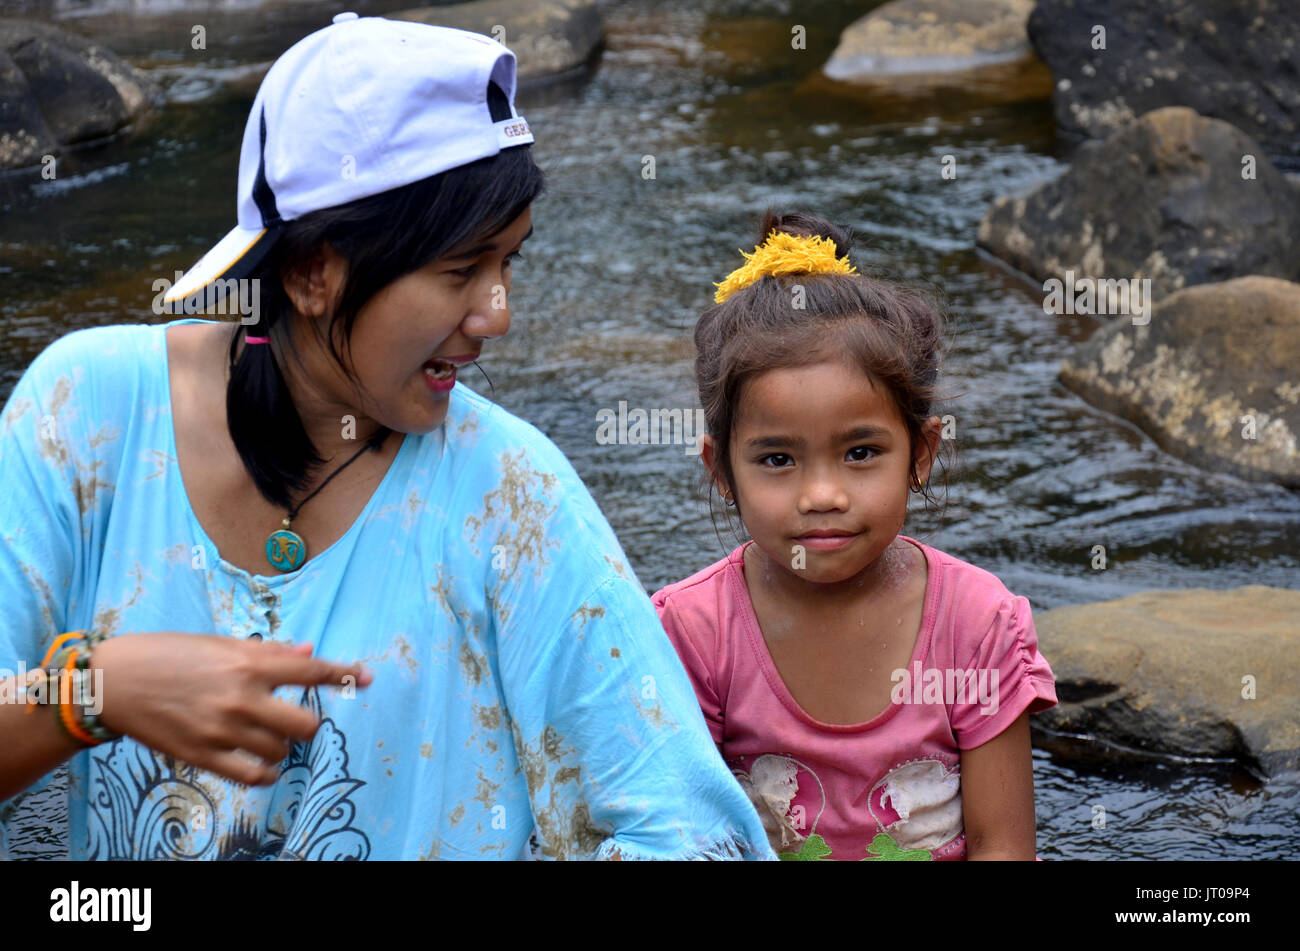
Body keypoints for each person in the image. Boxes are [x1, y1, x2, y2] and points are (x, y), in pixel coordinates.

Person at [0, 14, 773, 861]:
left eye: (509, 262)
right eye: (459, 270)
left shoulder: (510, 497)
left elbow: (697, 837)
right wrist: (91, 696)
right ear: (310, 272)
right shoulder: (83, 417)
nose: (497, 315)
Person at [652, 211, 1058, 861]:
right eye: (778, 459)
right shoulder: (693, 633)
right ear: (721, 470)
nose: (822, 495)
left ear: (921, 454)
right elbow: (675, 840)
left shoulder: (977, 625)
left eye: (861, 452)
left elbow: (1002, 845)